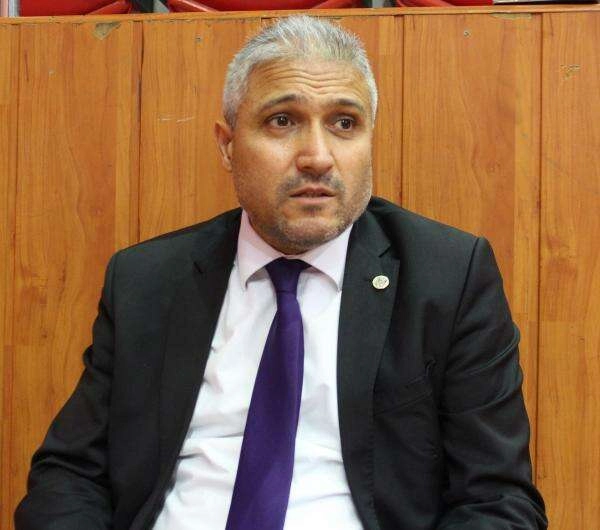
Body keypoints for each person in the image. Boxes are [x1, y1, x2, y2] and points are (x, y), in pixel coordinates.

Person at [15, 15, 547, 530]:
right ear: (227, 145)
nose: (317, 157)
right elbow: (70, 473)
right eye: (282, 121)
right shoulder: (148, 279)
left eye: (344, 123)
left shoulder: (447, 277)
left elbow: (499, 500)